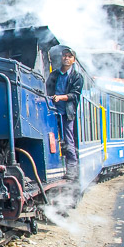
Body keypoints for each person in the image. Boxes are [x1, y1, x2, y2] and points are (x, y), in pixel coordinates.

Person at [46, 46, 83, 180]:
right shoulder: (54, 74)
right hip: (52, 111)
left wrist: (60, 97)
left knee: (68, 140)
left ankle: (72, 170)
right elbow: (48, 89)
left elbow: (75, 95)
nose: (66, 58)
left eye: (69, 56)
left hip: (67, 113)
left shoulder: (77, 77)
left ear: (73, 60)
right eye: (64, 56)